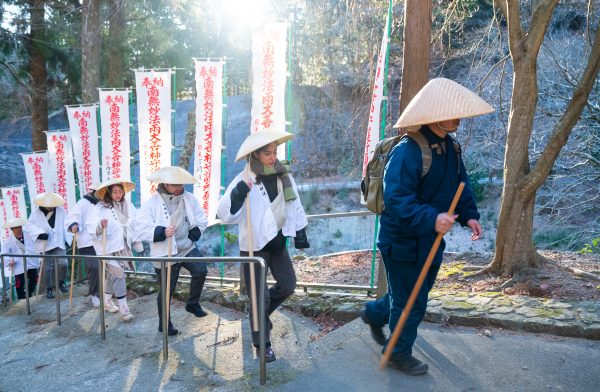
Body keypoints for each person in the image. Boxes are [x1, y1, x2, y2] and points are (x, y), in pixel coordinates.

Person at [360, 78, 492, 375]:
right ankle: (398, 352)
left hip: (431, 239)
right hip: (402, 240)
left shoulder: (451, 147)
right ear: (434, 114)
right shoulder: (407, 151)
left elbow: (460, 184)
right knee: (412, 302)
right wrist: (432, 218)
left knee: (406, 296)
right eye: (452, 111)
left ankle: (373, 313)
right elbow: (397, 200)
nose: (458, 116)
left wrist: (469, 214)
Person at [217, 130, 310, 363]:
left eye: (274, 152)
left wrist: (300, 232)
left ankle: (259, 313)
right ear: (256, 155)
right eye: (267, 153)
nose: (272, 157)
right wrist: (240, 193)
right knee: (259, 296)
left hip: (278, 243)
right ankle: (263, 344)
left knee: (288, 284)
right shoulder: (244, 179)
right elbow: (224, 214)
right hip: (254, 246)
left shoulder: (283, 175)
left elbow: (295, 204)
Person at [136, 166, 209, 336]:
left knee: (201, 270)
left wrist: (195, 232)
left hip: (186, 246)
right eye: (176, 185)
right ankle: (165, 323)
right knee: (167, 289)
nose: (180, 188)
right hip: (165, 252)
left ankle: (193, 303)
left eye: (181, 184)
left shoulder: (189, 198)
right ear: (166, 184)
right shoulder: (152, 203)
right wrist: (161, 231)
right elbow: (140, 227)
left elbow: (201, 218)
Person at [86, 179, 140, 321]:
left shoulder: (128, 205)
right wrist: (99, 226)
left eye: (120, 191)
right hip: (106, 249)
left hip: (122, 247)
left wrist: (135, 239)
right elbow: (90, 225)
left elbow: (136, 221)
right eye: (115, 191)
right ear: (109, 192)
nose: (118, 194)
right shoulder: (100, 207)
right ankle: (124, 309)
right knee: (119, 274)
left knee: (112, 276)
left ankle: (107, 301)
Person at [24, 192, 71, 299]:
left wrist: (67, 237)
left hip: (58, 242)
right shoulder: (36, 213)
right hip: (45, 244)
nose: (51, 207)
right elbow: (29, 226)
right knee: (47, 268)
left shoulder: (61, 210)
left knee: (63, 263)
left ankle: (61, 282)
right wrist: (40, 233)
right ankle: (49, 288)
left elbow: (66, 223)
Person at [65, 183, 101, 307]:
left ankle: (103, 293)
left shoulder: (103, 203)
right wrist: (73, 225)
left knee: (104, 267)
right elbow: (71, 217)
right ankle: (95, 294)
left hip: (102, 241)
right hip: (86, 242)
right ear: (93, 191)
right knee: (94, 267)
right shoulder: (83, 203)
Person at [1, 217, 39, 299]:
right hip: (18, 265)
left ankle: (29, 294)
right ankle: (21, 299)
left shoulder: (28, 235)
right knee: (19, 283)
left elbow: (35, 245)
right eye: (16, 228)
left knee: (34, 278)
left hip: (30, 262)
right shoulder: (8, 241)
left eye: (20, 227)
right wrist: (9, 260)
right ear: (12, 229)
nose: (19, 229)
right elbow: (4, 253)